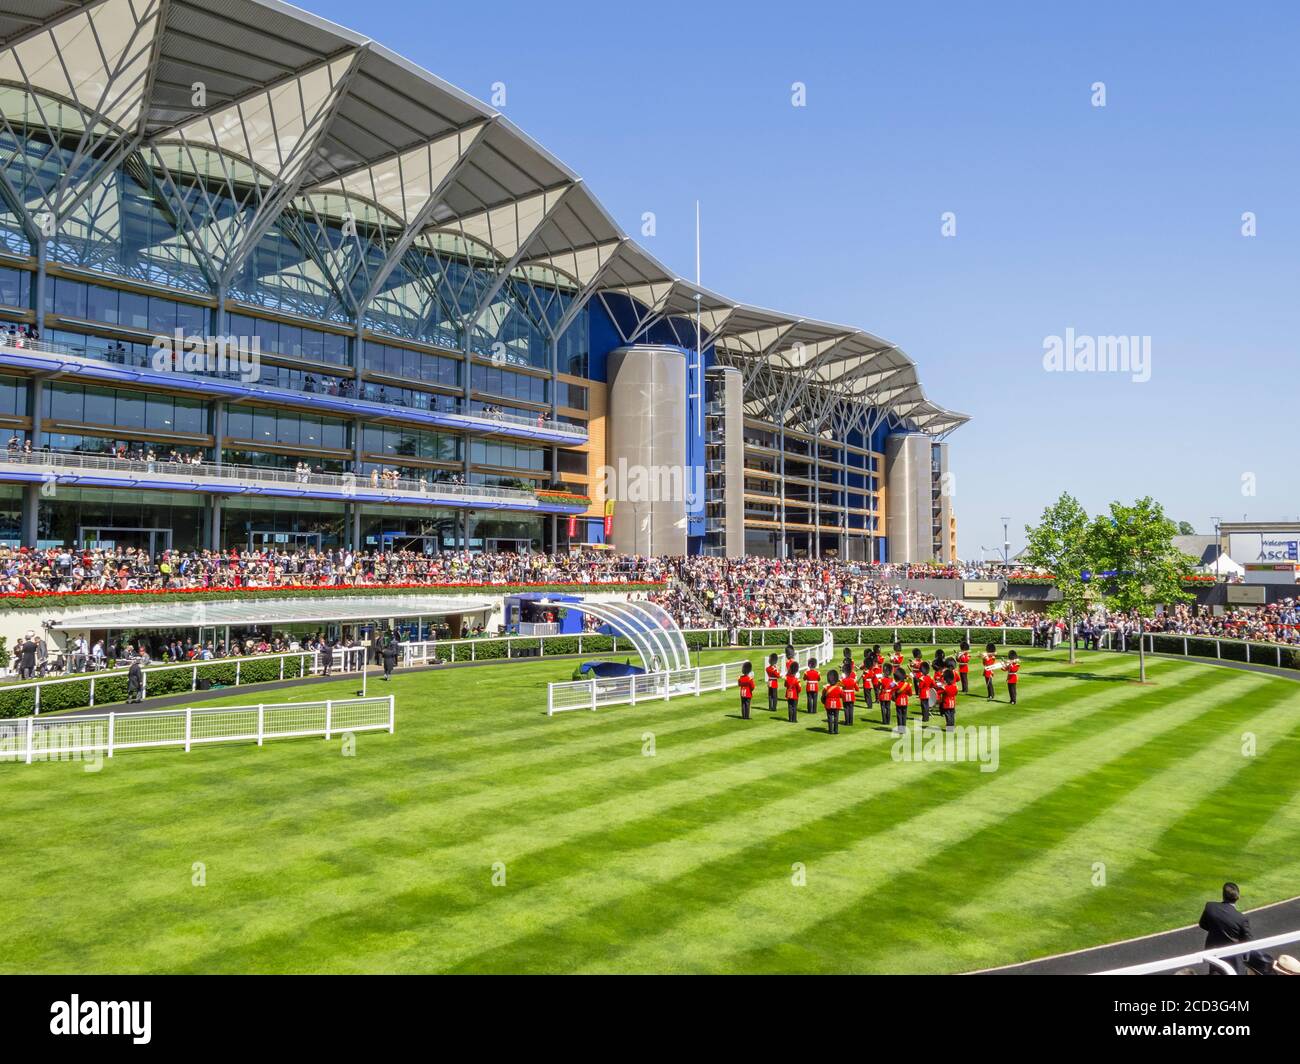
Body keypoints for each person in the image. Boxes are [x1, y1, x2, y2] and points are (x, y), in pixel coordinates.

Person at [1198, 883, 1253, 975]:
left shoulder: (1210, 907)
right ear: (1238, 897)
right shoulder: (1241, 918)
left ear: (1223, 895)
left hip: (1214, 952)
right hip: (1234, 957)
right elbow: (1248, 940)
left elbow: (1203, 924)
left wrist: (1216, 931)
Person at [822, 668, 843, 734]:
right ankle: (836, 730)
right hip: (836, 703)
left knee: (830, 717)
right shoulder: (839, 687)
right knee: (836, 717)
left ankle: (830, 730)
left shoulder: (826, 688)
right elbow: (842, 695)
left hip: (828, 703)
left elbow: (823, 696)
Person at [892, 667, 912, 735]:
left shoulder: (897, 685)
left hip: (898, 701)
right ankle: (904, 729)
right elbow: (910, 694)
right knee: (904, 716)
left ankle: (900, 730)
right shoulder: (907, 685)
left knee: (899, 716)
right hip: (905, 701)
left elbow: (892, 690)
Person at [939, 666, 959, 731]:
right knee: (952, 716)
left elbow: (939, 692)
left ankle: (949, 728)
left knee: (948, 716)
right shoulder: (955, 687)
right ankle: (952, 727)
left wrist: (941, 686)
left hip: (946, 703)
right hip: (952, 703)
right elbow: (955, 693)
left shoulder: (945, 688)